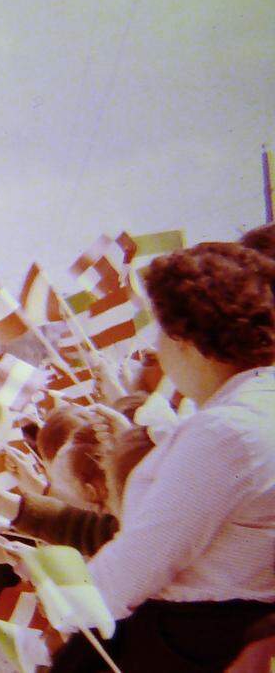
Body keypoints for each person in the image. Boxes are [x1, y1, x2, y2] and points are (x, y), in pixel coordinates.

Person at [39, 242, 275, 672]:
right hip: (230, 633)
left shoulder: (225, 430)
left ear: (188, 341)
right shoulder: (259, 406)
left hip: (186, 640)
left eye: (162, 334)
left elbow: (141, 560)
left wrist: (63, 610)